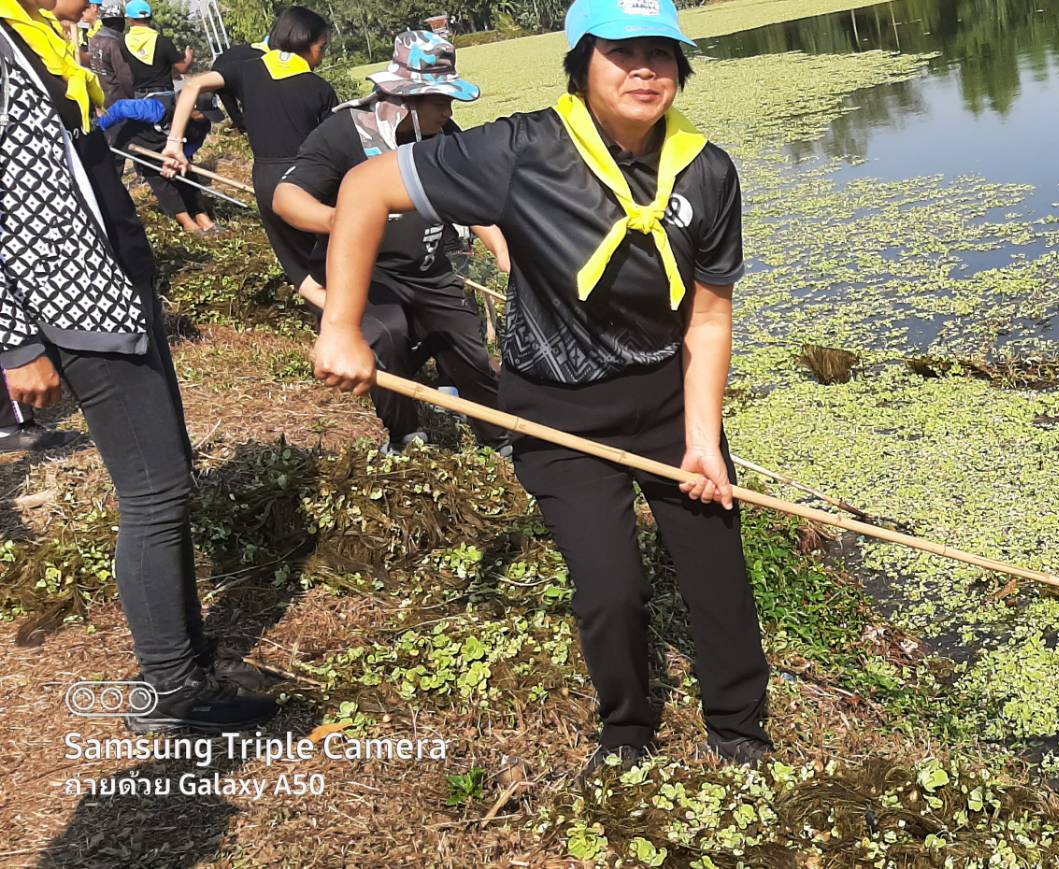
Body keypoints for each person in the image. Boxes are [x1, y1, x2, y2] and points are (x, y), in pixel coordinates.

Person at [313, 0, 772, 772]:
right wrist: (342, 326)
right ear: (581, 59)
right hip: (558, 409)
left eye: (661, 52)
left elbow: (709, 317)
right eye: (621, 51)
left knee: (718, 571)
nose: (644, 69)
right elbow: (362, 190)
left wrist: (701, 441)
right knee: (610, 588)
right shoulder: (520, 150)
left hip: (666, 400)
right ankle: (626, 733)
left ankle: (741, 728)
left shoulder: (708, 170)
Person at [2, 0, 277, 732]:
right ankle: (170, 690)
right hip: (74, 305)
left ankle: (185, 655)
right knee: (153, 492)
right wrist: (16, 344)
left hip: (112, 288)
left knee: (170, 478)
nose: (95, 2)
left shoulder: (41, 40)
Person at [275, 31, 506, 454]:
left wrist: (505, 252)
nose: (447, 111)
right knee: (386, 334)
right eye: (440, 101)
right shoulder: (344, 132)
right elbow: (285, 197)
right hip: (369, 275)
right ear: (406, 98)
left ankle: (499, 438)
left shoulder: (442, 135)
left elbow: (472, 202)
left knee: (466, 343)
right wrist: (342, 221)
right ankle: (405, 435)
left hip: (428, 268)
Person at [163, 6, 333, 303]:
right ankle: (349, 321)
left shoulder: (247, 68)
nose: (322, 56)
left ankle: (334, 320)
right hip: (311, 178)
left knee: (299, 268)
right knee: (334, 255)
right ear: (306, 42)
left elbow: (193, 85)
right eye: (322, 47)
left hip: (267, 181)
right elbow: (335, 144)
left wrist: (174, 143)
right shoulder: (320, 87)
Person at [102, 88, 222, 233]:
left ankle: (202, 217)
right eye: (204, 113)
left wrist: (181, 159)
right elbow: (121, 108)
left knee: (186, 174)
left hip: (163, 143)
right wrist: (98, 127)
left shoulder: (201, 123)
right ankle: (187, 223)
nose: (206, 118)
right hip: (128, 137)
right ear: (191, 107)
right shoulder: (157, 108)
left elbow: (193, 144)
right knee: (155, 175)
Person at [120, 0, 186, 96]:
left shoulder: (123, 42)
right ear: (150, 18)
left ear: (130, 20)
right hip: (164, 96)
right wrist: (189, 57)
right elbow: (182, 68)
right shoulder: (163, 41)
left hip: (140, 97)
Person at [81, 0, 129, 104]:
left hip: (100, 98)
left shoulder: (95, 39)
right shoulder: (114, 43)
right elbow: (125, 77)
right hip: (117, 101)